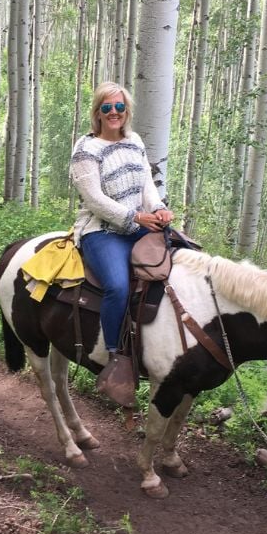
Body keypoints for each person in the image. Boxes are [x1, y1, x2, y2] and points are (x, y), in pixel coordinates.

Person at [70, 82, 174, 408]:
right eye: (107, 108)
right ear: (97, 112)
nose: (114, 113)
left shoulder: (135, 141)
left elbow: (147, 185)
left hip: (138, 222)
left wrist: (157, 209)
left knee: (181, 256)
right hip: (101, 230)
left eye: (119, 107)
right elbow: (96, 201)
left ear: (126, 111)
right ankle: (114, 357)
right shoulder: (86, 149)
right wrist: (136, 218)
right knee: (116, 285)